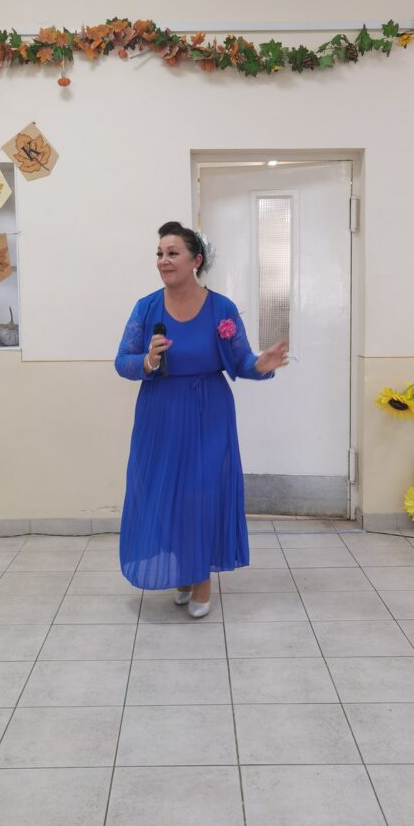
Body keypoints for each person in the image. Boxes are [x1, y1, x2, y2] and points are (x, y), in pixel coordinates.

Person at [114, 221, 288, 617]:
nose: (164, 260)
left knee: (201, 493)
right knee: (167, 494)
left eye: (172, 253)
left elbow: (241, 361)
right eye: (160, 254)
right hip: (159, 414)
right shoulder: (146, 307)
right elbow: (122, 361)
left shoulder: (221, 308)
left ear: (196, 260)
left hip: (210, 413)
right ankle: (183, 571)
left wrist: (261, 365)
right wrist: (148, 360)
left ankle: (201, 580)